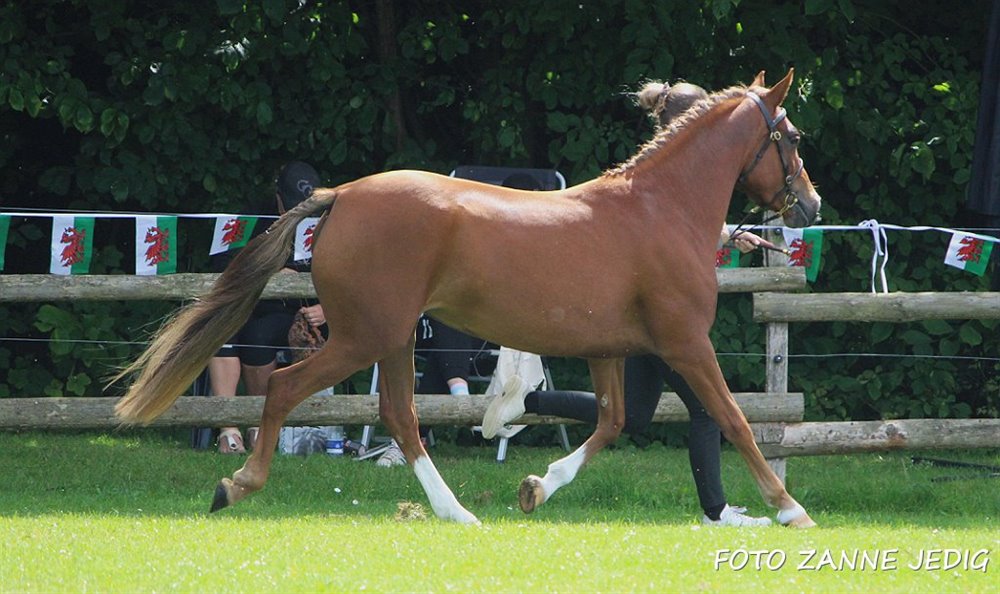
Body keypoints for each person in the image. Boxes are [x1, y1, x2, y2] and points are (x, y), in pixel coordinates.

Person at [483, 81, 771, 526]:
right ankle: (717, 513)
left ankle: (530, 400)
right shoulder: (666, 173)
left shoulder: (658, 173)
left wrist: (728, 235)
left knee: (631, 416)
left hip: (639, 316)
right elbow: (665, 234)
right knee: (706, 409)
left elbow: (670, 229)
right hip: (658, 317)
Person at [210, 161, 327, 453]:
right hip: (244, 305)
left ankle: (258, 425)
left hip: (295, 312)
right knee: (221, 330)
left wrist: (326, 308)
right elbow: (222, 264)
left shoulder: (328, 221)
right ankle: (227, 429)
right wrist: (270, 271)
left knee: (258, 336)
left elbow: (347, 276)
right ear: (278, 198)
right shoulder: (249, 218)